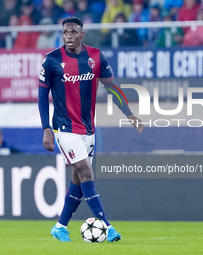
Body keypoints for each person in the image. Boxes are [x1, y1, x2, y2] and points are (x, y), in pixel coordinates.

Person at [38, 16, 144, 242]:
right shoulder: (51, 61)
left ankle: (60, 227)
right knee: (86, 172)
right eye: (65, 32)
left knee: (78, 180)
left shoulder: (96, 57)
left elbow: (112, 88)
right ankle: (107, 226)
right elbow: (41, 96)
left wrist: (129, 113)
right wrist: (46, 128)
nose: (69, 36)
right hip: (64, 129)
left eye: (73, 32)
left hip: (88, 129)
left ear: (81, 34)